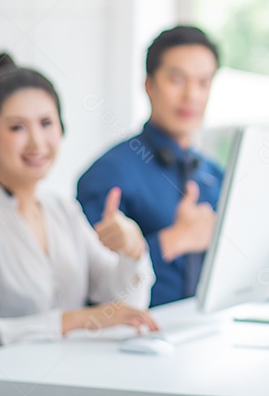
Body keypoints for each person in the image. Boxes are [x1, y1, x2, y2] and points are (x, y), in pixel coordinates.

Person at [0, 53, 157, 364]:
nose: (37, 142)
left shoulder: (61, 209)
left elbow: (126, 307)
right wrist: (74, 320)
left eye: (46, 123)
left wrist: (132, 251)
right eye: (17, 128)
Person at [77, 25, 224, 307]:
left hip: (208, 330)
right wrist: (173, 240)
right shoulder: (108, 174)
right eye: (177, 80)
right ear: (149, 84)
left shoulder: (215, 175)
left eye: (203, 83)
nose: (191, 95)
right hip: (133, 338)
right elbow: (94, 285)